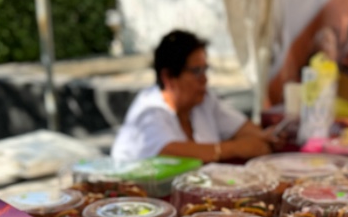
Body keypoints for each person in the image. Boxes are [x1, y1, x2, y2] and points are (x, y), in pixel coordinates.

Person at [111, 30, 276, 162]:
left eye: (205, 70)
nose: (204, 79)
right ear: (168, 77)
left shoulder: (203, 101)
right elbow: (169, 151)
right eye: (196, 71)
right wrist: (234, 148)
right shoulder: (150, 110)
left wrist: (266, 137)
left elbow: (244, 129)